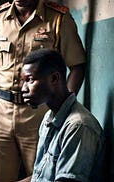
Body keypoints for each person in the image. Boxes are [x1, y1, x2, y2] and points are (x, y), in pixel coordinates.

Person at [0, 0, 86, 181]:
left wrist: (63, 107)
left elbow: (77, 65)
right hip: (0, 112)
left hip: (39, 114)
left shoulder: (58, 20)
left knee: (40, 176)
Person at [20, 48, 104, 182]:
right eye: (23, 81)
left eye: (30, 80)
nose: (23, 88)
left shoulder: (78, 127)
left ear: (54, 78)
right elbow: (38, 177)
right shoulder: (49, 117)